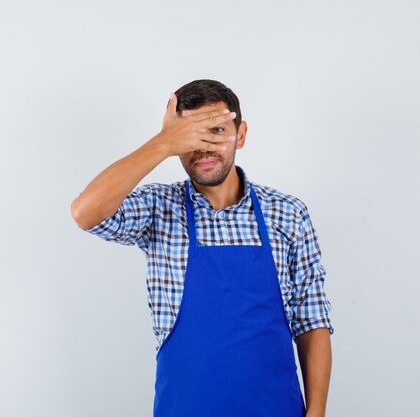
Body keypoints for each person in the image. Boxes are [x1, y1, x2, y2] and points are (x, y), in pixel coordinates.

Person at [71, 79, 334, 417]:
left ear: (241, 134)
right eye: (191, 136)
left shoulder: (287, 213)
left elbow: (311, 321)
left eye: (217, 130)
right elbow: (85, 213)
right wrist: (161, 143)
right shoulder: (159, 208)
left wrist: (316, 413)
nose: (204, 146)